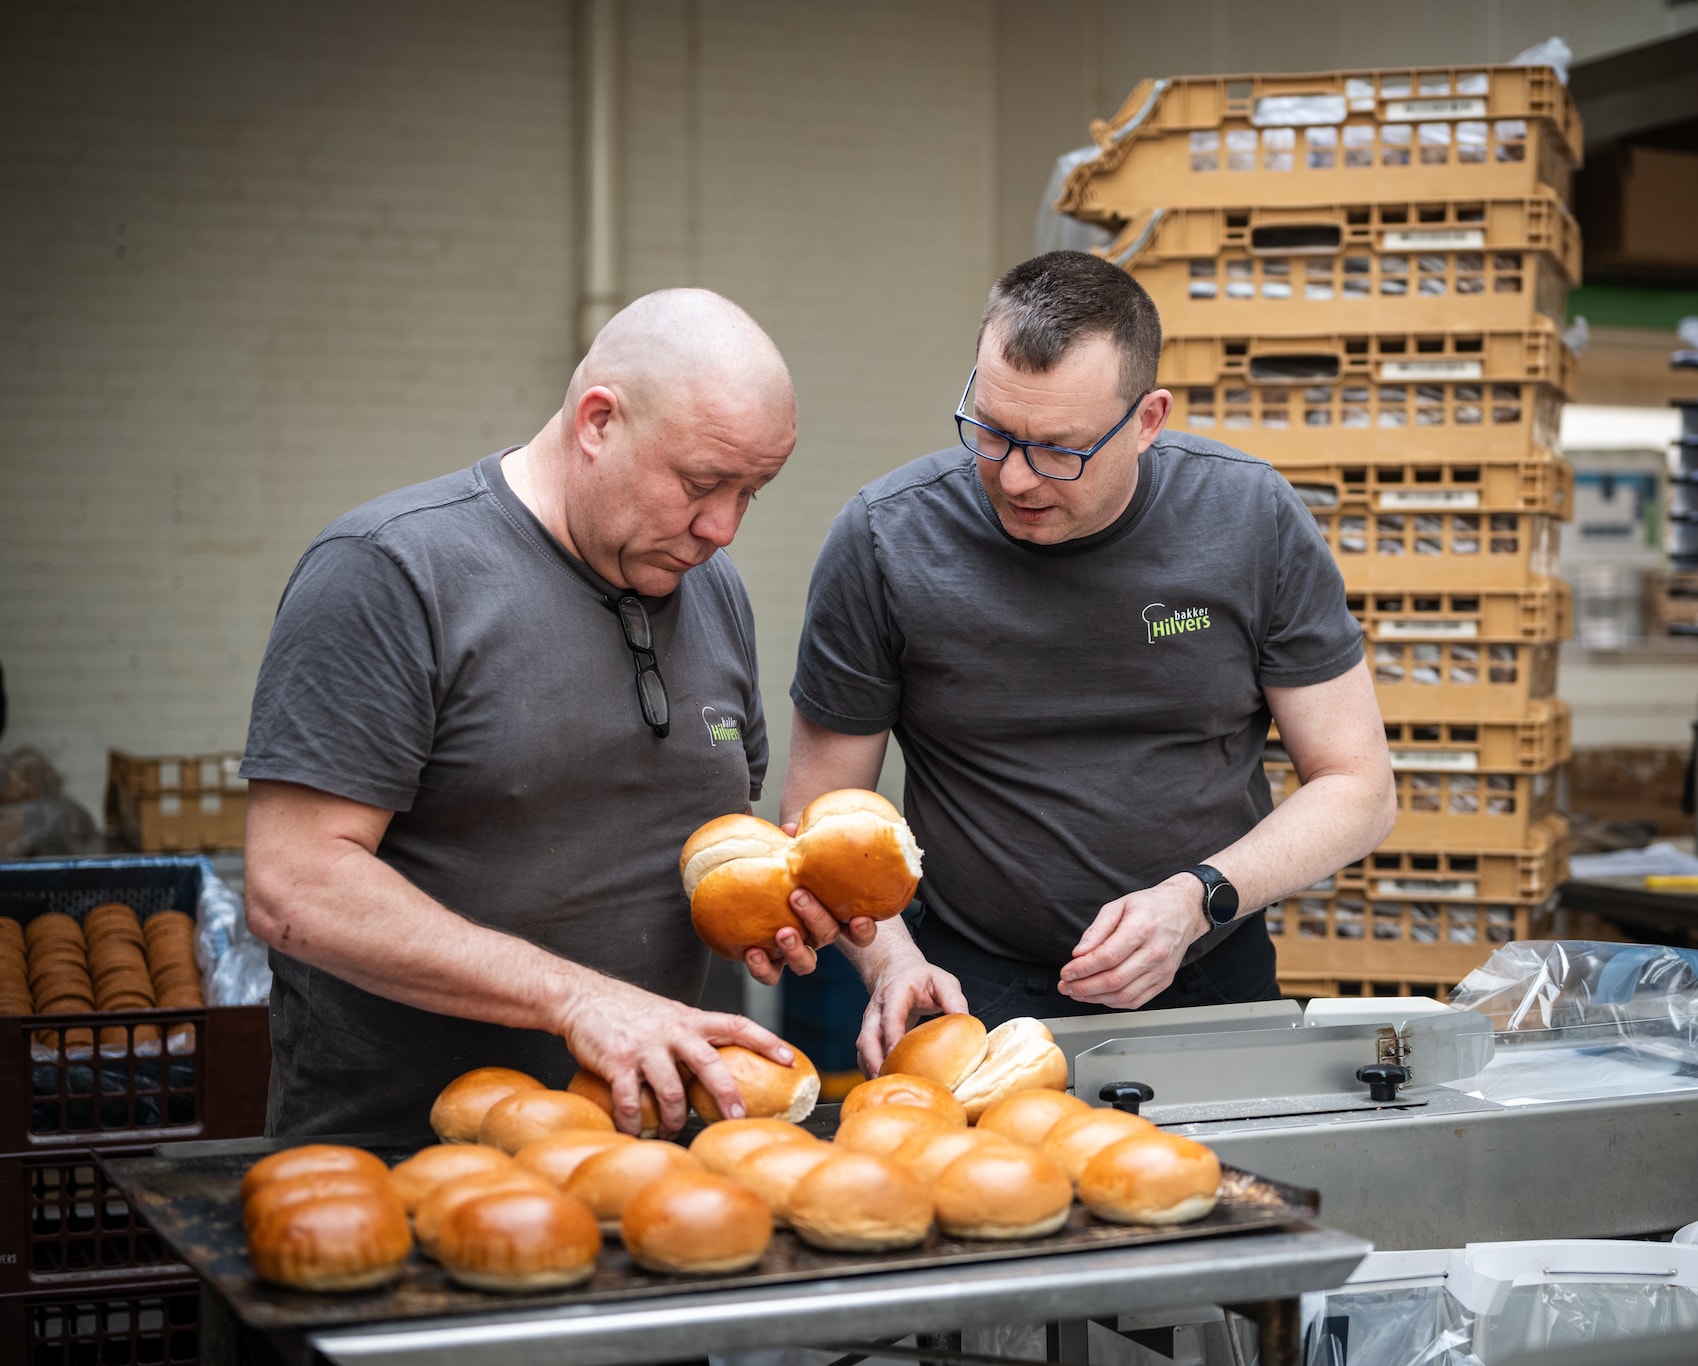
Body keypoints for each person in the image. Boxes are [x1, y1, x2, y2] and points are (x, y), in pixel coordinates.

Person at [767, 252, 1397, 1075]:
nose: (1017, 477)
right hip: (966, 990)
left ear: (1147, 420)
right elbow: (820, 815)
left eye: (1060, 449)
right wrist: (892, 961)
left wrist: (1197, 900)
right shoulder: (886, 541)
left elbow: (1359, 787)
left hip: (1209, 972)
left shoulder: (1248, 520)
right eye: (992, 431)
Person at [241, 289, 847, 1138]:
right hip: (404, 1157)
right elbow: (294, 885)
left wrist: (766, 905)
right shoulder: (390, 573)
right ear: (598, 421)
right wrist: (575, 999)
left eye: (753, 492)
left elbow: (691, 834)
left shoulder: (713, 591)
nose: (723, 528)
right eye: (703, 484)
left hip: (645, 1152)